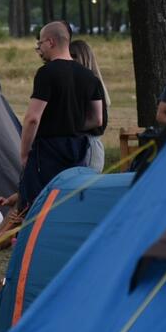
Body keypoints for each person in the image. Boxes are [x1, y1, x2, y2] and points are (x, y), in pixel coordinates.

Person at [18, 22, 103, 210]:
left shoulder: (46, 73)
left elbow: (32, 118)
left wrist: (24, 154)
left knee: (39, 204)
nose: (39, 48)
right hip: (77, 149)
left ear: (50, 42)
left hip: (48, 151)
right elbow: (97, 119)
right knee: (68, 203)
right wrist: (71, 124)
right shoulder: (89, 76)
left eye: (40, 43)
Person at [69, 38, 110, 171]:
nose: (69, 60)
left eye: (73, 56)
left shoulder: (91, 83)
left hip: (88, 147)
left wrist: (68, 127)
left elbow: (97, 121)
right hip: (82, 146)